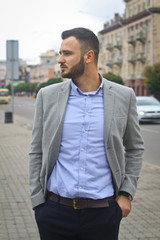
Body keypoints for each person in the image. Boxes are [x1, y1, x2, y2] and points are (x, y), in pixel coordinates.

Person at [29, 27, 144, 240]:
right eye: (60, 53)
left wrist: (126, 194)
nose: (60, 60)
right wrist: (38, 201)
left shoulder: (124, 96)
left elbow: (135, 148)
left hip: (104, 213)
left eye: (67, 53)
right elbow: (36, 150)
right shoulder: (47, 95)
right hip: (54, 212)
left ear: (89, 56)